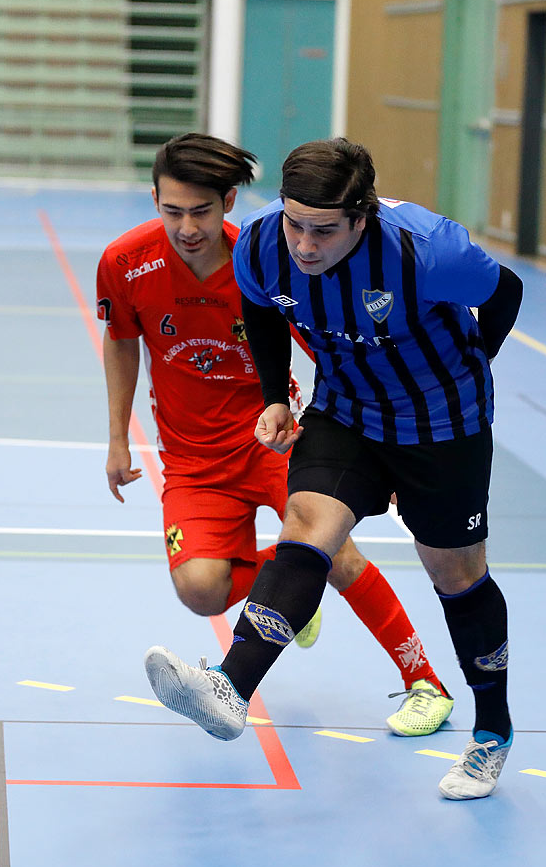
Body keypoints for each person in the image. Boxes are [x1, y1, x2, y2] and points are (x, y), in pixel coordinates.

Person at [144, 137, 524, 800]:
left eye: (324, 230)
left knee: (456, 574)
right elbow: (260, 308)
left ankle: (492, 730)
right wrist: (271, 396)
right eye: (295, 222)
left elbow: (506, 293)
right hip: (346, 411)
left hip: (443, 423)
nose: (305, 244)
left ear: (362, 216)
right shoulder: (263, 245)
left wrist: (465, 370)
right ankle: (230, 690)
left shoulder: (425, 250)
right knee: (307, 525)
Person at [99, 133, 455, 737]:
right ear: (153, 199)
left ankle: (427, 683)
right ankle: (289, 593)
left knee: (331, 550)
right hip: (191, 458)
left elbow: (336, 349)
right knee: (202, 591)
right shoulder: (125, 262)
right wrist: (116, 437)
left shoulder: (266, 256)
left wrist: (377, 447)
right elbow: (122, 340)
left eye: (202, 212)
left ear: (230, 202)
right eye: (172, 211)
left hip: (274, 437)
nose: (187, 227)